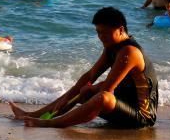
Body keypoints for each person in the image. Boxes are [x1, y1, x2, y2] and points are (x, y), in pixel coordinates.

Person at [11, 7, 158, 129]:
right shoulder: (111, 48)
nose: (101, 37)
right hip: (122, 108)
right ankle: (33, 115)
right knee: (81, 90)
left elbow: (108, 89)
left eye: (105, 32)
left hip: (141, 117)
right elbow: (90, 76)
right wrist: (69, 97)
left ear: (120, 30)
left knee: (102, 97)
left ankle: (52, 123)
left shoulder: (129, 52)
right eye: (98, 32)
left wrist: (89, 90)